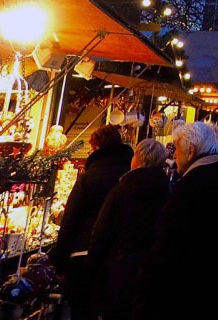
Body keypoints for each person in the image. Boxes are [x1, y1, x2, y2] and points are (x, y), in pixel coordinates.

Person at [139, 121, 218, 319]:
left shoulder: (193, 183)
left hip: (184, 284)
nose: (175, 155)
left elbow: (169, 237)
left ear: (191, 150)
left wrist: (147, 276)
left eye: (177, 149)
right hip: (212, 279)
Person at [52, 124, 133, 320]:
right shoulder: (131, 176)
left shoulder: (89, 177)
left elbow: (71, 221)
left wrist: (60, 263)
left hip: (84, 254)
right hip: (120, 257)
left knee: (83, 310)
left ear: (96, 147)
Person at [88, 138, 171, 320]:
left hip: (119, 267)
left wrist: (92, 265)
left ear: (138, 159)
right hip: (152, 267)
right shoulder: (168, 191)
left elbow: (101, 233)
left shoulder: (121, 190)